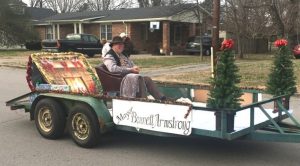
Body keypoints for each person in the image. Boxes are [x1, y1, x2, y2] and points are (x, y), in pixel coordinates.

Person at [102, 36, 167, 100]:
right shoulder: (109, 56)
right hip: (120, 80)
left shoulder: (123, 55)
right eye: (118, 44)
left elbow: (131, 63)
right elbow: (113, 69)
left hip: (129, 77)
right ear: (113, 45)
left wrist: (134, 67)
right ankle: (143, 100)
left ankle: (161, 98)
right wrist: (130, 70)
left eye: (122, 44)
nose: (121, 46)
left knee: (147, 79)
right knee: (139, 79)